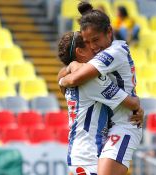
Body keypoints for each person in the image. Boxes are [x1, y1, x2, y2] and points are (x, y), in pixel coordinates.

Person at [59, 2, 143, 175]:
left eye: (95, 40)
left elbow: (73, 78)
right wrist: (135, 104)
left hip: (124, 125)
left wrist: (66, 75)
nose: (93, 46)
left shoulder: (113, 52)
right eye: (88, 42)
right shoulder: (95, 70)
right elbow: (69, 74)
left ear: (109, 32)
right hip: (108, 128)